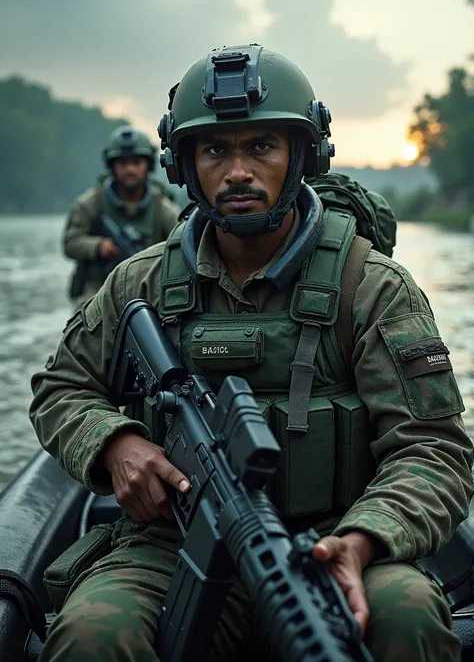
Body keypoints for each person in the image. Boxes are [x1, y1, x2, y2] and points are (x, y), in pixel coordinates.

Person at [30, 45, 473, 662]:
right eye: (215, 150)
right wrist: (115, 443)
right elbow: (60, 388)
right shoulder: (141, 284)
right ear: (186, 165)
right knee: (90, 635)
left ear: (302, 157)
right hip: (171, 545)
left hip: (334, 538)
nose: (237, 171)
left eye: (261, 147)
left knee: (407, 619)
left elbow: (434, 449)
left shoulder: (370, 286)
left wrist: (366, 538)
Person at [62, 125, 179, 309]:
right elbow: (70, 243)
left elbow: (181, 246)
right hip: (98, 286)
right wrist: (98, 246)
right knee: (84, 321)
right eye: (123, 163)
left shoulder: (163, 209)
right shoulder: (91, 204)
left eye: (136, 162)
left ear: (147, 165)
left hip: (150, 286)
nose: (130, 169)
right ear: (113, 166)